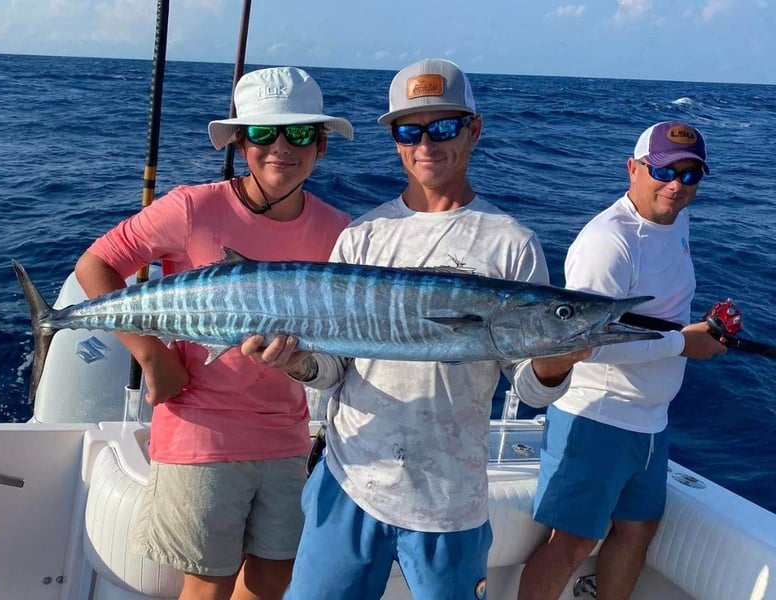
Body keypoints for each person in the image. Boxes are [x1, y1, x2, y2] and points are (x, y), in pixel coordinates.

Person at [241, 58, 588, 600]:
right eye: (410, 130)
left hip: (449, 497)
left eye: (444, 127)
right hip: (349, 479)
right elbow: (333, 369)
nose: (426, 143)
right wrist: (296, 362)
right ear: (396, 140)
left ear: (474, 129)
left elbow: (526, 385)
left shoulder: (510, 243)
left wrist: (558, 358)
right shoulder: (363, 236)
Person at [74, 66, 353, 600]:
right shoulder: (191, 207)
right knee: (209, 583)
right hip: (200, 428)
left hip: (286, 433)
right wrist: (151, 355)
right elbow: (97, 266)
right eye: (261, 133)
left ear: (320, 145)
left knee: (274, 579)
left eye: (297, 133)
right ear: (241, 142)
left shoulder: (339, 229)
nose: (280, 147)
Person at [518, 121, 728, 600]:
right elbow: (584, 343)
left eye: (690, 175)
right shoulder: (607, 242)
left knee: (639, 527)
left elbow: (664, 315)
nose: (675, 185)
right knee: (571, 542)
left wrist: (700, 333)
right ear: (633, 169)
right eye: (663, 171)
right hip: (598, 417)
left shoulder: (675, 219)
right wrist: (683, 344)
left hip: (651, 421)